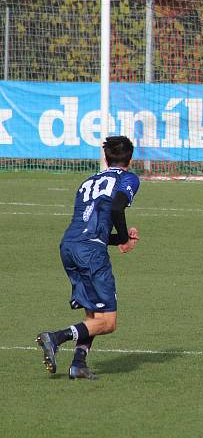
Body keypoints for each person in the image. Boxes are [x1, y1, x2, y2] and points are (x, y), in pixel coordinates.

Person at [35, 136, 140, 380]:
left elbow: (90, 227)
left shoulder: (87, 182)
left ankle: (78, 363)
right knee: (108, 322)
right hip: (90, 252)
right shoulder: (127, 178)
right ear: (130, 159)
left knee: (93, 313)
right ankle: (57, 337)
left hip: (69, 246)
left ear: (105, 157)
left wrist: (117, 239)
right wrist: (124, 238)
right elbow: (116, 208)